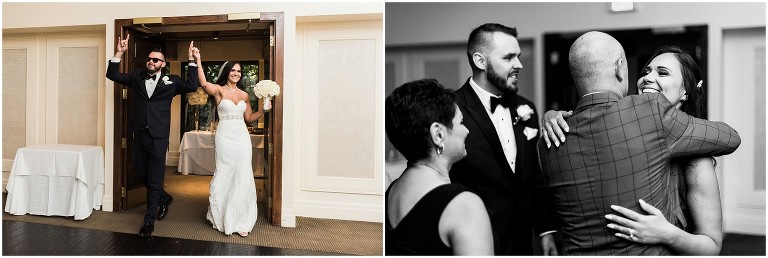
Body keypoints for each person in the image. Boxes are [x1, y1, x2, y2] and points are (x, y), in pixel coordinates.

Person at [536, 31, 741, 255]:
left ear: (685, 92)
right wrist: (552, 116)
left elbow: (711, 247)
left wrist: (668, 233)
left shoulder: (696, 160)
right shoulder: (638, 117)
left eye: (662, 73)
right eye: (645, 71)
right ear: (619, 69)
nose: (648, 78)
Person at [449, 23, 557, 255]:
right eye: (509, 58)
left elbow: (534, 175)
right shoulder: (451, 110)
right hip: (474, 238)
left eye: (518, 56)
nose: (519, 64)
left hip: (524, 239)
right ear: (480, 61)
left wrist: (545, 230)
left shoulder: (526, 108)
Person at [106, 34, 200, 239]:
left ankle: (148, 221)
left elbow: (192, 86)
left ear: (163, 64)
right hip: (139, 134)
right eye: (149, 58)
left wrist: (192, 61)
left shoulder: (172, 81)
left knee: (156, 179)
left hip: (158, 136)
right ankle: (164, 199)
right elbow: (112, 75)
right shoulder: (136, 76)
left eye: (155, 59)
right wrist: (119, 53)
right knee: (141, 173)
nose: (151, 61)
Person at [385, 79, 493, 255]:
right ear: (438, 134)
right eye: (461, 122)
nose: (466, 130)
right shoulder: (463, 206)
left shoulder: (391, 193)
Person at [191, 47, 264, 237]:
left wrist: (264, 108)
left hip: (241, 137)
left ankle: (241, 219)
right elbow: (203, 82)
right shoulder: (218, 91)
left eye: (239, 71)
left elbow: (249, 118)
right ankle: (223, 216)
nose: (236, 73)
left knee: (242, 173)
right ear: (227, 72)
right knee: (225, 172)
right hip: (225, 136)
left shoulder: (245, 95)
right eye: (233, 70)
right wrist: (198, 60)